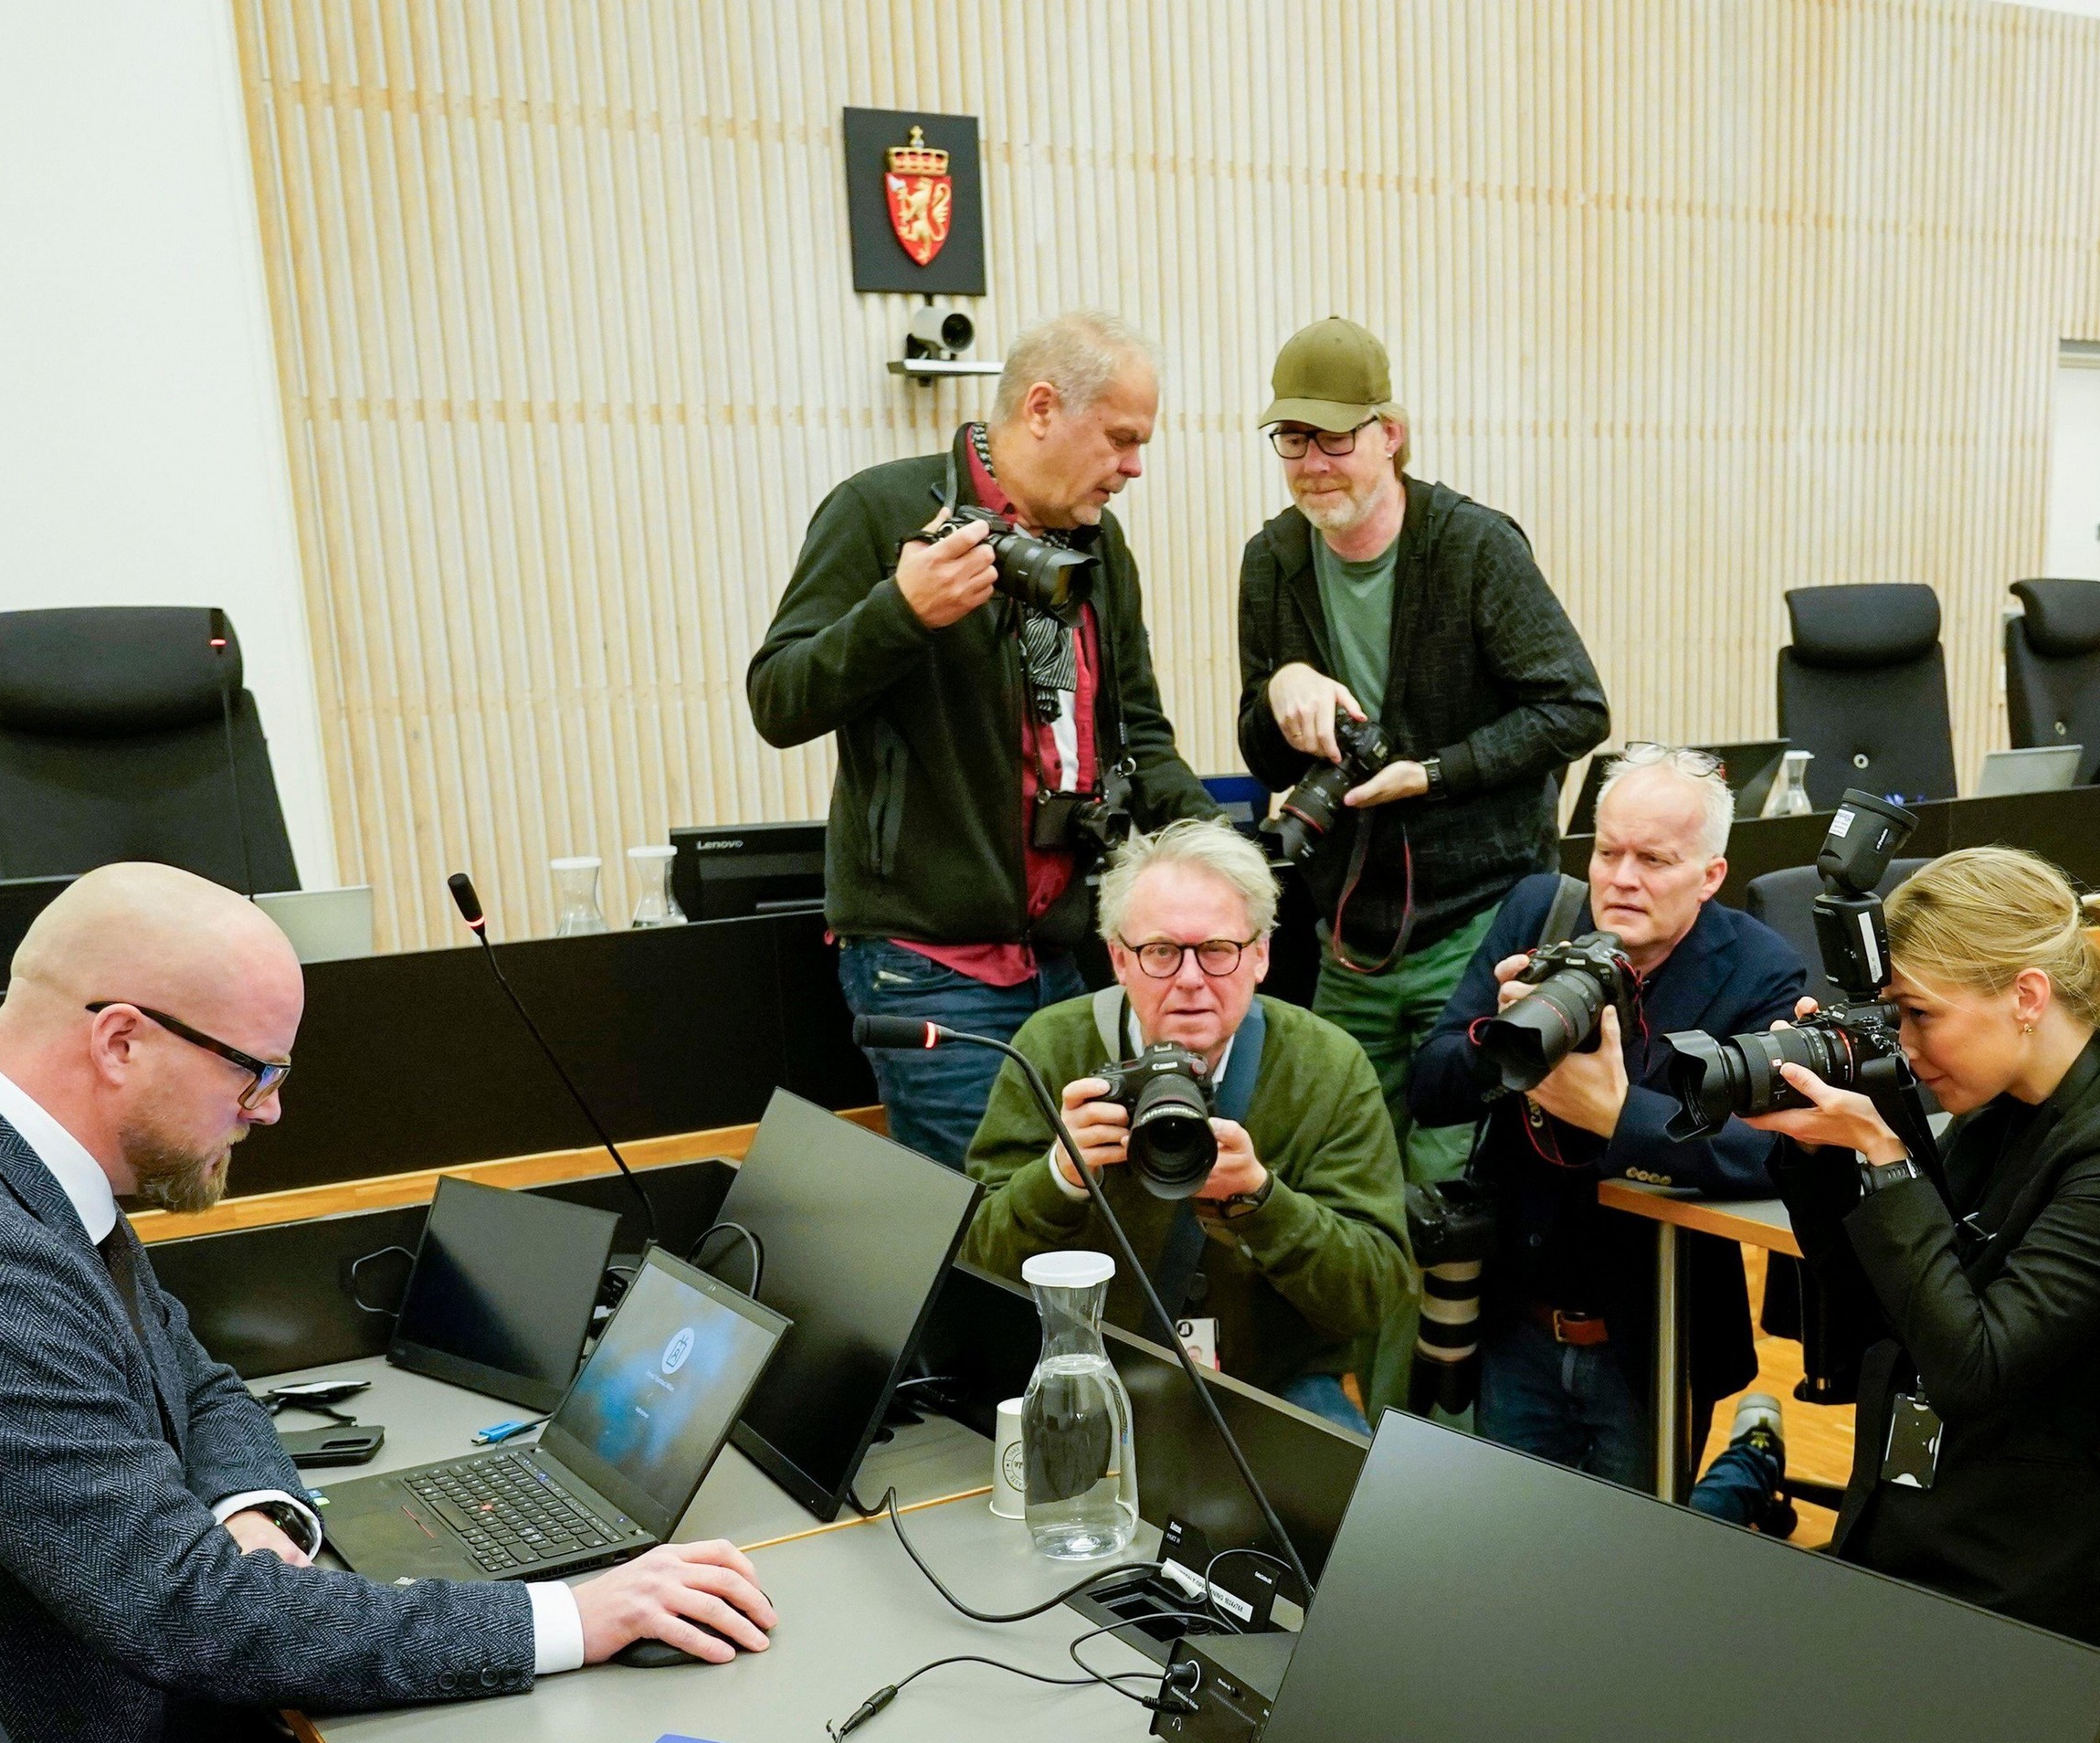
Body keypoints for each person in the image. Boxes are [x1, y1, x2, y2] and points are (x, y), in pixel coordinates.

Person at [0, 864, 777, 1743]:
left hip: (81, 1682)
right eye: (257, 1071)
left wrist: (257, 1510)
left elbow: (198, 1383)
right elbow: (192, 1615)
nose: (271, 1110)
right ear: (121, 1041)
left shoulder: (3, 1168)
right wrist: (575, 1615)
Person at [751, 310, 1220, 1169]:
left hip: (1068, 956)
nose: (1133, 467)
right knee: (990, 1234)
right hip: (931, 965)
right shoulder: (879, 508)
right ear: (1040, 408)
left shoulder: (1098, 542)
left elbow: (1138, 732)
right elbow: (777, 700)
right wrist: (902, 613)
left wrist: (1223, 861)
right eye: (1119, 438)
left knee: (1077, 1217)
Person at [1750, 845, 2100, 1648]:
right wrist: (1821, 1154)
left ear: (2025, 996)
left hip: (2009, 1576)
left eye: (1919, 1014)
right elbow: (1873, 1315)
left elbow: (1974, 1365)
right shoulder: (1997, 1108)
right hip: (1898, 1524)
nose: (1906, 1045)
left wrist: (1888, 1160)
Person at [1235, 316, 1609, 1183]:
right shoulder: (1273, 559)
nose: (1312, 462)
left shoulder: (1472, 547)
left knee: (1449, 1185)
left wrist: (1433, 775)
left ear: (1389, 434)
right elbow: (1263, 758)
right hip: (1349, 933)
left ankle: (1445, 1323)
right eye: (1292, 439)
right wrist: (1278, 687)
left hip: (1477, 922)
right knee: (1338, 1171)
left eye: (1333, 436)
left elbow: (1574, 708)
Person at [1411, 746, 1806, 1508]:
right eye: (1607, 852)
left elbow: (1773, 1154)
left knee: (1632, 1572)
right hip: (1515, 1323)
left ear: (1709, 876)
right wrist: (1504, 1039)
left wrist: (1616, 1116)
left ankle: (1746, 1469)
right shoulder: (1541, 911)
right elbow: (1428, 1087)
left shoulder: (1759, 970)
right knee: (1511, 1552)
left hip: (1654, 1338)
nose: (1621, 879)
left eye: (1653, 860)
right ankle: (1748, 1467)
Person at [962, 819, 1415, 1431]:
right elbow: (975, 1265)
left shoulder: (1326, 1066)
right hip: (1092, 1369)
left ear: (1260, 956)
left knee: (1357, 1520)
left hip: (1270, 1382)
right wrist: (1059, 1178)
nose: (1191, 980)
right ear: (1118, 959)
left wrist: (1261, 1199)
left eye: (1217, 950)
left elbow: (1371, 1296)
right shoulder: (1051, 1049)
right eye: (1160, 952)